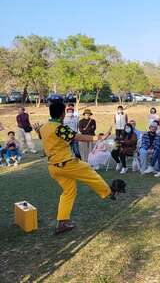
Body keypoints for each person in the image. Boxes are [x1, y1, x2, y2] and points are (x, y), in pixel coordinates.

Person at [35, 100, 120, 235]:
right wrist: (97, 138)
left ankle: (62, 222)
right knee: (89, 172)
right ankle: (108, 192)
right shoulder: (59, 128)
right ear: (62, 114)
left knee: (69, 192)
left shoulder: (44, 127)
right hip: (67, 163)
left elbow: (41, 135)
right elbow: (78, 137)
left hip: (53, 167)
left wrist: (37, 130)